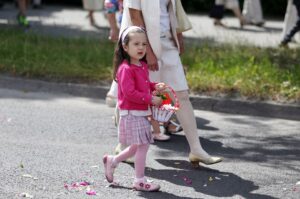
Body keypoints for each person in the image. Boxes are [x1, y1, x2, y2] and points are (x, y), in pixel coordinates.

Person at [117, 0, 222, 167]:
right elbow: (134, 15)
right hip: (143, 45)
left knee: (181, 95)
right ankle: (124, 146)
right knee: (139, 94)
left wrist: (178, 36)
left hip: (168, 42)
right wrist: (148, 51)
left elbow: (173, 9)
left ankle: (196, 150)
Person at [103, 26, 166, 191]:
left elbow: (143, 85)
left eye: (144, 44)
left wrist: (154, 86)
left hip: (140, 112)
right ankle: (139, 180)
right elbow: (130, 93)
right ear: (125, 46)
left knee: (136, 147)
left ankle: (113, 161)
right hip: (131, 113)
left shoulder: (141, 65)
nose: (141, 48)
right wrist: (150, 99)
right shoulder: (125, 69)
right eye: (136, 44)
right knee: (143, 145)